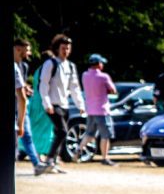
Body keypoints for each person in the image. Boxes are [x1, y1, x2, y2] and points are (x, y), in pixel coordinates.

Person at [38, 34, 84, 172]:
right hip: (53, 104)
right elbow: (43, 84)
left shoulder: (70, 66)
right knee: (63, 131)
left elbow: (75, 87)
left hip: (65, 104)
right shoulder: (50, 64)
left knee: (60, 132)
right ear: (57, 49)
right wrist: (47, 103)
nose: (66, 51)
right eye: (63, 48)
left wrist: (80, 105)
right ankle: (50, 159)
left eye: (68, 48)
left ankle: (53, 163)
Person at [79, 53, 118, 166]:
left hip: (90, 110)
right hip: (102, 110)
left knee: (89, 134)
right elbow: (113, 90)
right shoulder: (104, 76)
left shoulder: (84, 75)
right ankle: (105, 158)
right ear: (98, 64)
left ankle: (79, 149)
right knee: (105, 135)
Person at [13, 39, 44, 174]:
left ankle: (36, 164)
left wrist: (25, 88)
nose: (30, 53)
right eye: (28, 49)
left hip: (20, 105)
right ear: (18, 49)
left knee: (26, 135)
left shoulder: (23, 66)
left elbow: (20, 84)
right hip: (19, 102)